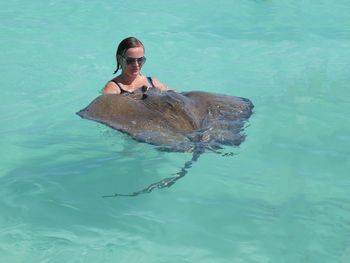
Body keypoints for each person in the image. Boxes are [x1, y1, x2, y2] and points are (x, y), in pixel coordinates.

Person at [102, 37, 170, 94]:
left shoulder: (152, 82)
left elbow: (175, 97)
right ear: (120, 59)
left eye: (140, 60)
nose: (136, 64)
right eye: (130, 60)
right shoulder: (112, 88)